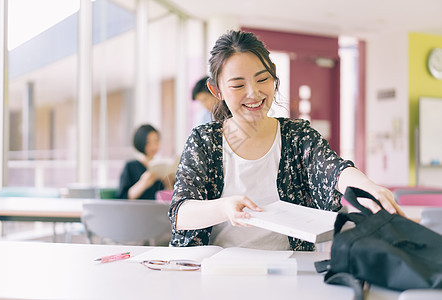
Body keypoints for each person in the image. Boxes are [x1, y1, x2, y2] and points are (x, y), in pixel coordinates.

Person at [168, 30, 404, 251]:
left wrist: (371, 189)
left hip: (289, 268)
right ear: (216, 90)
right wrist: (224, 207)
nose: (254, 93)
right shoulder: (204, 141)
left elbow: (334, 170)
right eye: (238, 85)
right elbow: (181, 213)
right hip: (217, 270)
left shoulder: (297, 136)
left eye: (262, 79)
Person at [117, 124, 169, 200]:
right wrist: (144, 183)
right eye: (148, 142)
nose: (153, 146)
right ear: (141, 142)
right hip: (136, 210)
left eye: (156, 141)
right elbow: (123, 197)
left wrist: (168, 183)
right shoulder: (130, 166)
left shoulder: (160, 168)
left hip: (157, 210)